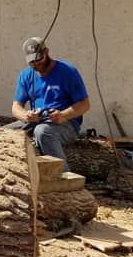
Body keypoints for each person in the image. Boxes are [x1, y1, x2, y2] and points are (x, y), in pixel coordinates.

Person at [7, 37, 90, 171]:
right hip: (38, 120)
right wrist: (25, 115)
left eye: (39, 59)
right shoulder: (26, 75)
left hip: (65, 123)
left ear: (46, 52)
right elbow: (16, 107)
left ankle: (64, 177)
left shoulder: (68, 72)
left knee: (43, 132)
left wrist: (63, 115)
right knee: (3, 133)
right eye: (32, 62)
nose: (36, 64)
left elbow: (84, 104)